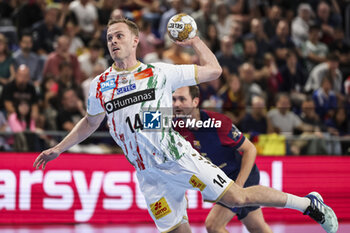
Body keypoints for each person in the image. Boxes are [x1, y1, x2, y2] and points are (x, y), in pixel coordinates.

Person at [33, 18, 338, 233]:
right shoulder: (99, 86)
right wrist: (59, 149)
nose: (113, 41)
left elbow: (214, 70)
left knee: (238, 198)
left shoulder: (161, 72)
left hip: (179, 159)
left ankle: (308, 204)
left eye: (119, 35)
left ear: (135, 40)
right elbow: (90, 122)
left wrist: (194, 41)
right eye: (109, 37)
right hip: (149, 176)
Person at [173, 86, 272, 233]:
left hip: (241, 176)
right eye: (174, 99)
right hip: (221, 180)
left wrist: (238, 186)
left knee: (213, 225)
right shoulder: (173, 125)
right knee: (256, 227)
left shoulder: (217, 123)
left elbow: (250, 149)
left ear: (195, 102)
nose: (176, 104)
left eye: (182, 99)